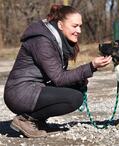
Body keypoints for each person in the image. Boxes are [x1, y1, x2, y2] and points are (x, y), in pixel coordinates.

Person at [3, 4, 112, 138]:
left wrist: (80, 78)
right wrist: (91, 66)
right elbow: (59, 78)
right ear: (60, 25)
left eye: (80, 26)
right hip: (20, 93)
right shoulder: (42, 41)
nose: (79, 30)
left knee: (77, 87)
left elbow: (56, 75)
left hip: (33, 88)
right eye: (74, 26)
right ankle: (25, 120)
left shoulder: (56, 39)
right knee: (75, 98)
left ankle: (38, 121)